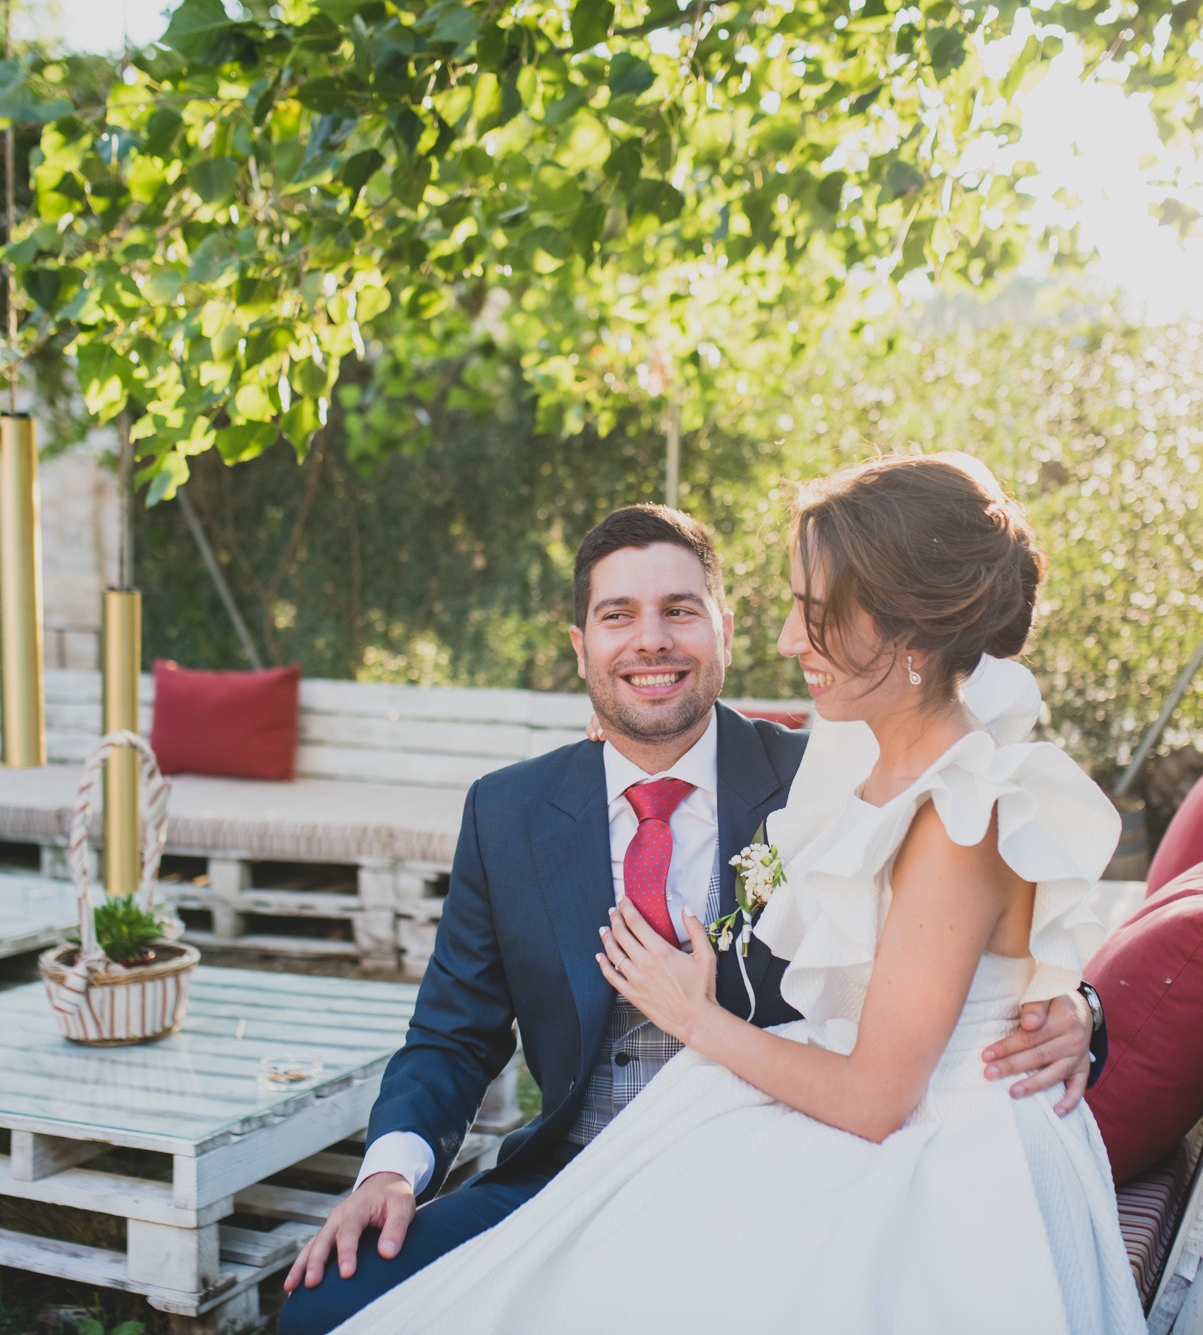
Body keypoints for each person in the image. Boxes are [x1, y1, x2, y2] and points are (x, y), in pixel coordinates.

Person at [278, 490, 1112, 1334]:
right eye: (618, 615)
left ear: (723, 629)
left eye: (680, 610)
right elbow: (453, 1035)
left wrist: (1074, 1008)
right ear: (580, 646)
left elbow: (969, 928)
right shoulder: (509, 812)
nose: (651, 639)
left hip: (765, 1171)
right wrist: (387, 1174)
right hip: (569, 1170)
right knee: (325, 1311)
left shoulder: (829, 779)